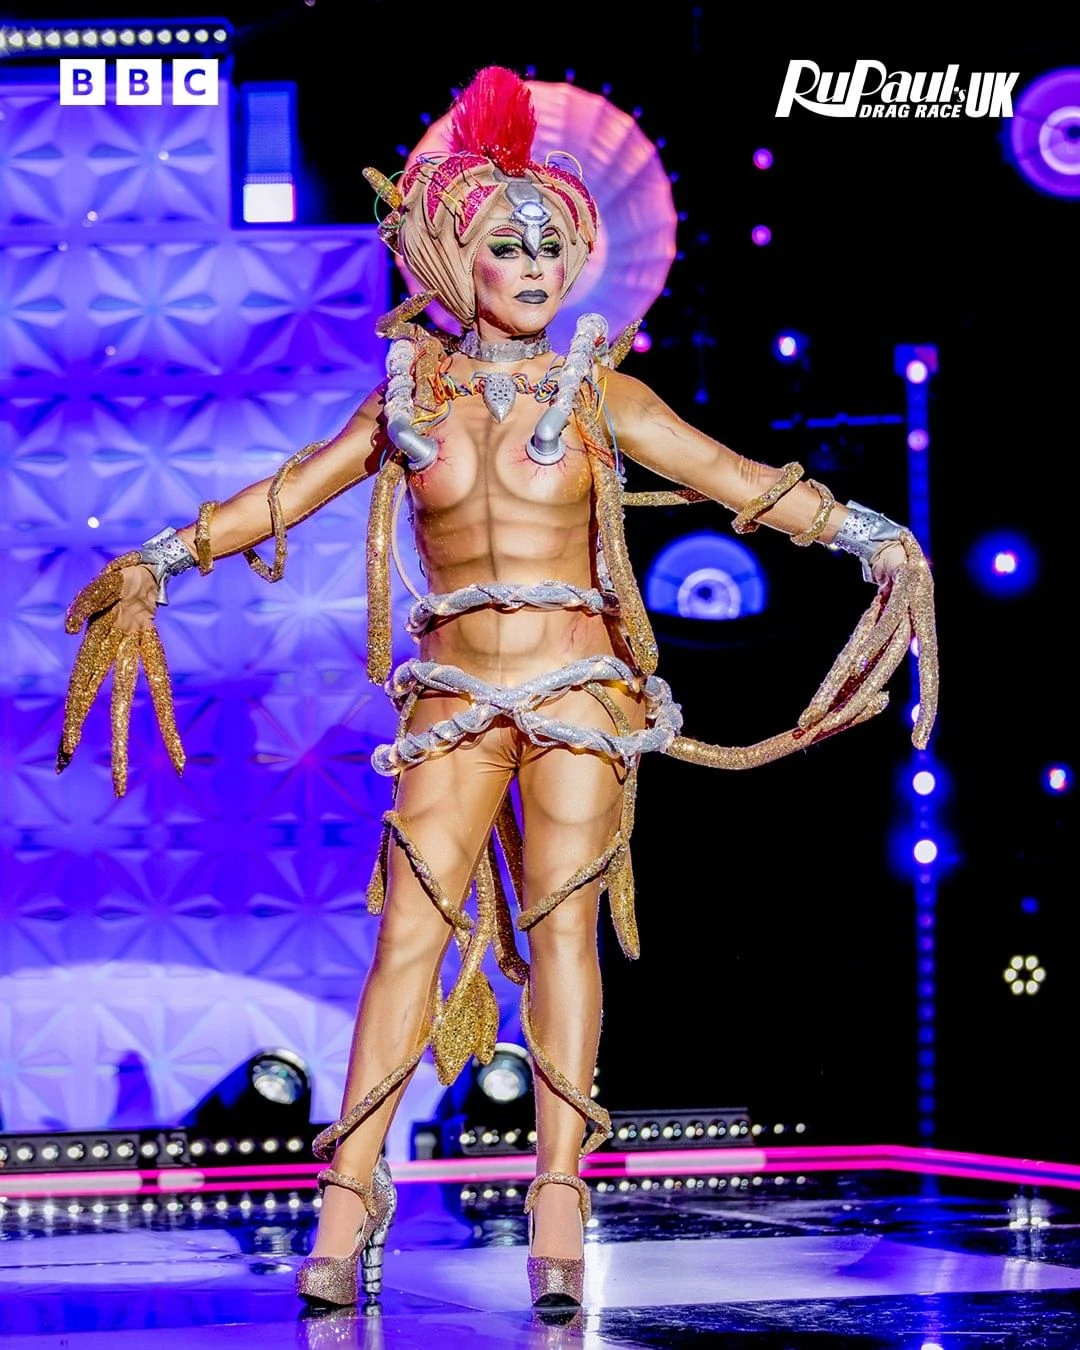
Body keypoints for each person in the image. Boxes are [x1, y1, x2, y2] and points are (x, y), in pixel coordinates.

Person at [57, 66, 937, 1311]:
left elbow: (738, 478)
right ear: (453, 257)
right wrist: (159, 557)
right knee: (407, 940)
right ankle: (348, 1199)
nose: (533, 265)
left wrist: (869, 534)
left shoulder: (604, 396)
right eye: (506, 245)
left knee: (564, 930)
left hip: (579, 690)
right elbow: (289, 491)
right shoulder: (408, 397)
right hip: (452, 697)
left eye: (550, 246)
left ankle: (558, 1198)